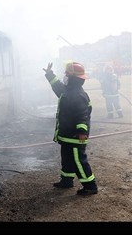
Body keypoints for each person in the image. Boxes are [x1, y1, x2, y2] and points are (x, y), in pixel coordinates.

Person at [43, 62, 98, 195]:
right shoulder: (69, 91)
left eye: (67, 74)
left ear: (73, 77)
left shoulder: (77, 95)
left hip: (74, 136)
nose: (65, 76)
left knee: (79, 161)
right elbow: (57, 87)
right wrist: (50, 74)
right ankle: (67, 180)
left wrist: (82, 131)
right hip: (67, 135)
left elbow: (82, 115)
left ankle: (90, 186)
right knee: (67, 159)